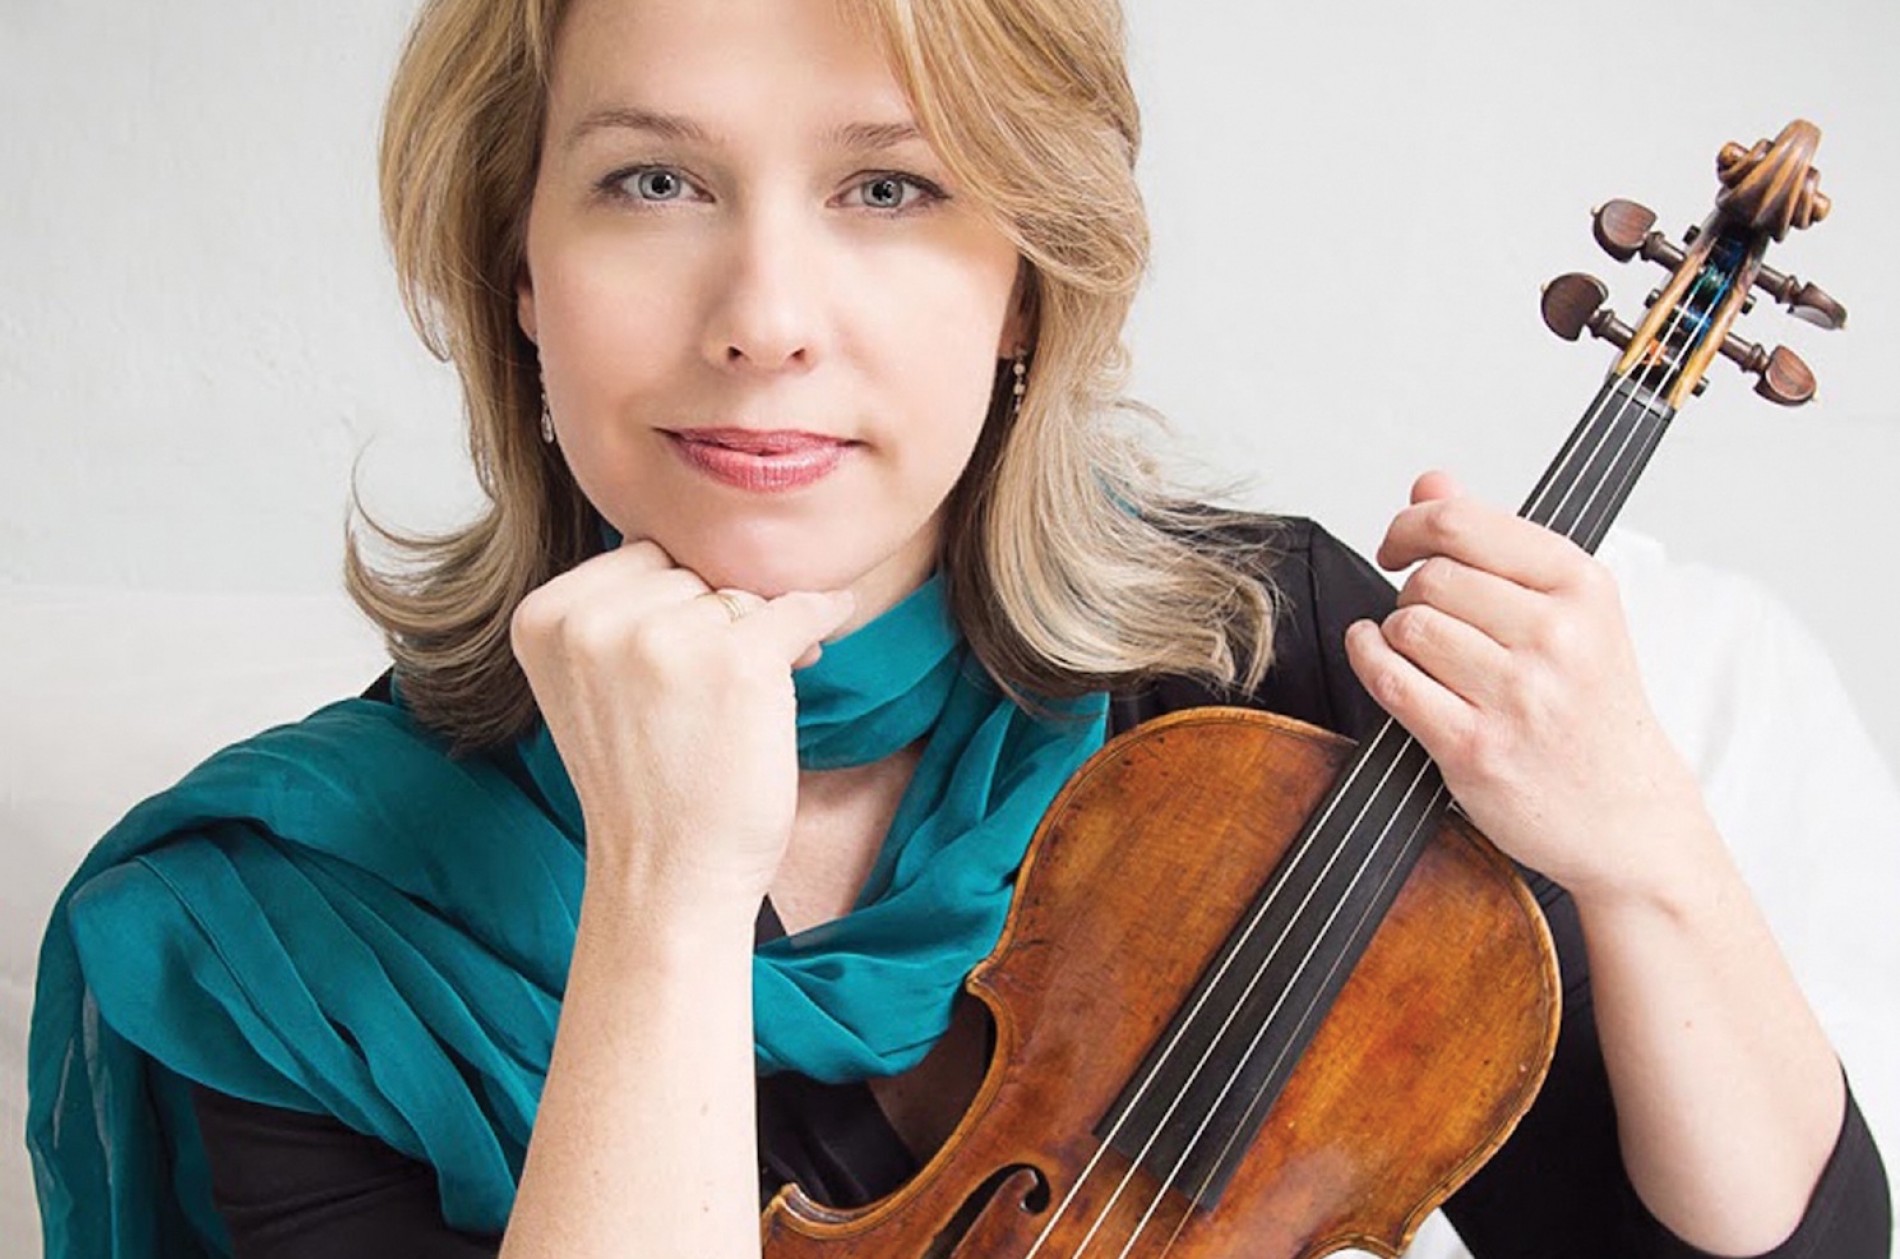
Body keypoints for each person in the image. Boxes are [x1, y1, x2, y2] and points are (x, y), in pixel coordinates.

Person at [25, 0, 1890, 1255]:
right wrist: (664, 902)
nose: (765, 313)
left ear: (1023, 287)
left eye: (891, 188)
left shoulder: (1259, 664)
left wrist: (1650, 852)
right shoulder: (272, 934)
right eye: (651, 181)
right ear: (520, 269)